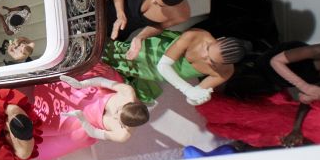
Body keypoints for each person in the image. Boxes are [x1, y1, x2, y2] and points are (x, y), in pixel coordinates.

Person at [103, 30, 247, 104]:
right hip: (157, 53)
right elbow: (164, 66)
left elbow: (191, 98)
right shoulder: (196, 35)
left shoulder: (225, 72)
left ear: (224, 65)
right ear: (220, 39)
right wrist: (187, 89)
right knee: (122, 56)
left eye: (211, 61)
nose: (204, 55)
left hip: (158, 74)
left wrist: (197, 98)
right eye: (207, 48)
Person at [32, 70, 148, 160]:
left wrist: (82, 119)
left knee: (45, 132)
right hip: (87, 97)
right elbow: (102, 81)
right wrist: (81, 84)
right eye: (117, 111)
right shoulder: (127, 92)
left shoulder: (122, 135)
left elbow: (94, 133)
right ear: (129, 103)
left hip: (84, 123)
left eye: (119, 122)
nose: (115, 117)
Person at [196, 91, 320, 149]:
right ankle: (206, 104)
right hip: (284, 116)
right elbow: (305, 104)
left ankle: (216, 125)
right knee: (241, 114)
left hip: (282, 135)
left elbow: (313, 143)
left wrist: (297, 140)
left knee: (250, 136)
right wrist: (296, 128)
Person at [107, 0, 190, 61]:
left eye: (159, 4)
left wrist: (140, 37)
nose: (153, 1)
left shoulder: (180, 15)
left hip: (119, 33)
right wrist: (120, 14)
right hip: (102, 12)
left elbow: (159, 26)